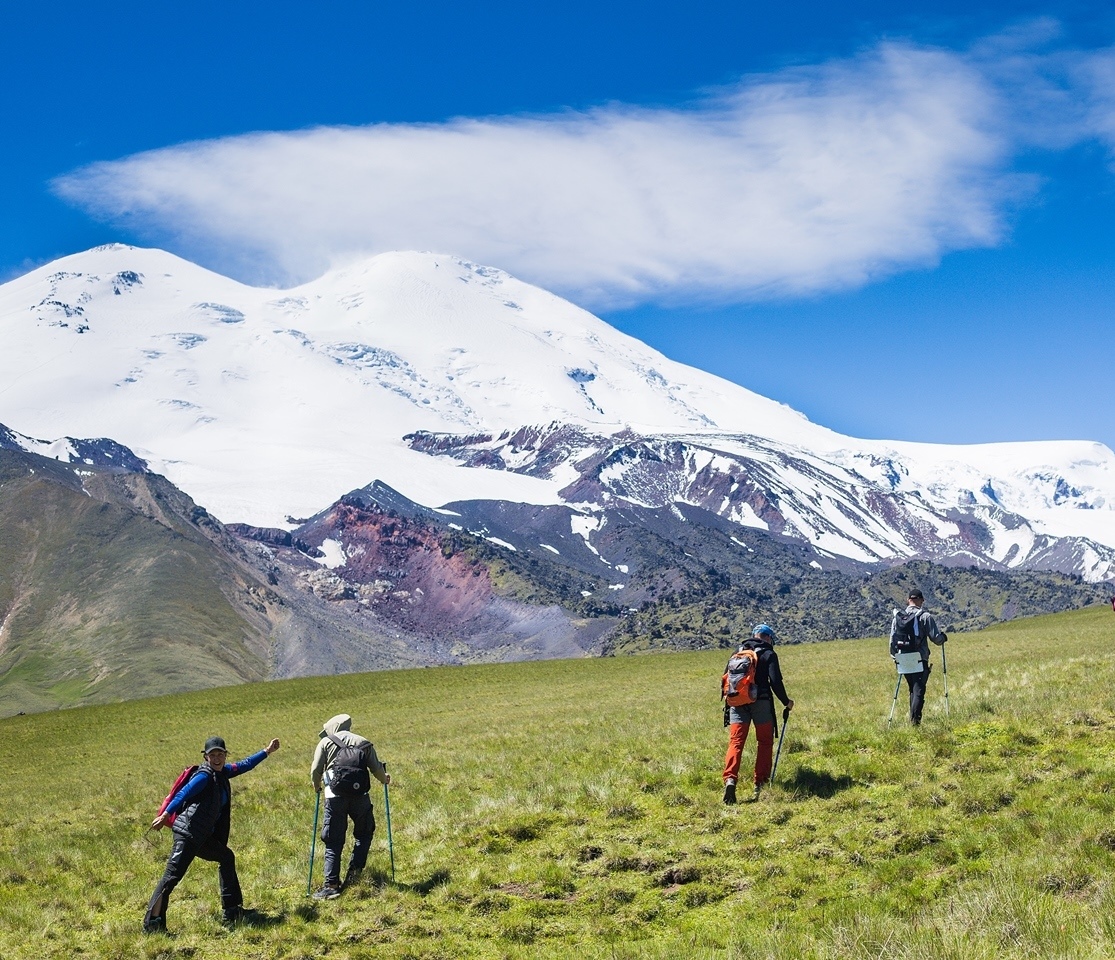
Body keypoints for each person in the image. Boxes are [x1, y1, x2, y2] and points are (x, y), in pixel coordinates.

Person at [144, 735, 280, 933]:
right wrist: (166, 814)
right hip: (187, 834)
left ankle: (232, 910)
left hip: (202, 837)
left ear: (225, 755)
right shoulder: (204, 776)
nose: (217, 758)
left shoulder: (223, 772)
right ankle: (152, 923)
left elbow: (245, 764)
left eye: (220, 754)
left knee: (226, 857)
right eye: (212, 755)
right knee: (171, 877)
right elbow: (184, 794)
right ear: (206, 757)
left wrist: (267, 751)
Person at [310, 713, 391, 899]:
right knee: (364, 834)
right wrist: (384, 779)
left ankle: (331, 886)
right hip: (360, 796)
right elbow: (377, 769)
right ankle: (354, 876)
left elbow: (315, 769)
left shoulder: (326, 743)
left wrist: (316, 786)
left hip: (334, 797)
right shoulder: (364, 743)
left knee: (333, 840)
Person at [722, 623, 794, 804]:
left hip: (737, 703)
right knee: (764, 742)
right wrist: (786, 702)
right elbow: (775, 681)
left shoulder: (737, 652)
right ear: (768, 638)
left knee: (736, 742)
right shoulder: (769, 653)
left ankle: (730, 779)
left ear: (754, 635)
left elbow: (726, 680)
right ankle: (760, 782)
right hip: (761, 703)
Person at [890, 588, 948, 725]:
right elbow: (936, 639)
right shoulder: (925, 616)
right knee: (918, 689)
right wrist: (944, 638)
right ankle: (915, 723)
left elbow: (892, 640)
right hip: (919, 658)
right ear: (921, 600)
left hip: (902, 658)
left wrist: (895, 658)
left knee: (912, 688)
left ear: (908, 600)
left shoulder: (898, 618)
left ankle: (913, 719)